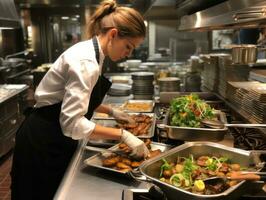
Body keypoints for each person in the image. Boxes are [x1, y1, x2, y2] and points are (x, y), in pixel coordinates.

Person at [11, 0, 149, 199]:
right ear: (113, 34)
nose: (128, 54)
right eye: (128, 46)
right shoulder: (86, 61)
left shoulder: (94, 53)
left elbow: (74, 98)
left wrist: (110, 111)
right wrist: (123, 135)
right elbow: (72, 123)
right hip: (43, 139)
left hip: (53, 132)